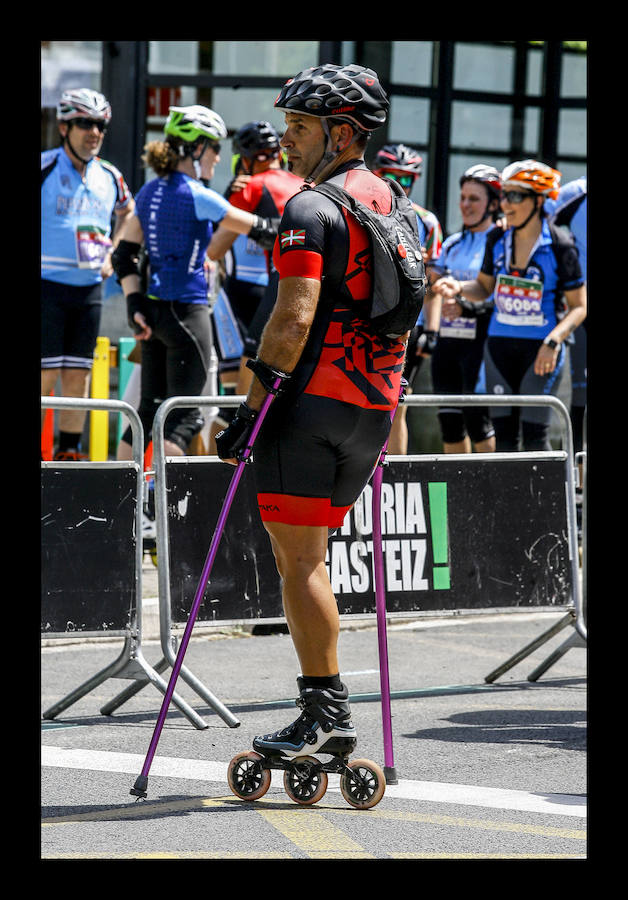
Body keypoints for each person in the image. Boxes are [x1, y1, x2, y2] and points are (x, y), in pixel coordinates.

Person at [215, 64, 419, 762]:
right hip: (370, 410)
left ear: (341, 132)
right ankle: (323, 710)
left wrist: (246, 411)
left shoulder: (311, 208)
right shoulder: (395, 205)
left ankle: (324, 711)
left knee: (298, 562)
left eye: (300, 127)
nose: (286, 138)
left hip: (308, 407)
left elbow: (291, 318)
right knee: (309, 557)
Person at [111, 105, 280, 464]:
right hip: (187, 313)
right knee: (188, 416)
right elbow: (263, 230)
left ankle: (121, 501)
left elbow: (123, 256)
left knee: (147, 410)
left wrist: (134, 304)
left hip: (152, 312)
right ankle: (160, 503)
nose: (219, 156)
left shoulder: (149, 191)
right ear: (196, 148)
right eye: (215, 147)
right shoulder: (198, 195)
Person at [433, 159, 587, 452]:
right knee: (503, 441)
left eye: (516, 196)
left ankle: (539, 500)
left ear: (539, 200)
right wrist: (458, 287)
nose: (506, 204)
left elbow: (580, 306)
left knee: (534, 438)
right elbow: (484, 287)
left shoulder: (560, 244)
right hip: (498, 348)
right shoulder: (498, 237)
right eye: (505, 194)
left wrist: (554, 342)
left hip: (541, 349)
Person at [41, 88, 135, 460]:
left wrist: (115, 249)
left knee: (78, 378)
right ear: (65, 128)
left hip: (89, 288)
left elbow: (129, 214)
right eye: (84, 124)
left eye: (100, 125)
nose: (93, 132)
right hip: (46, 286)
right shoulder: (46, 165)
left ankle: (67, 455)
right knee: (46, 377)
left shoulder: (110, 175)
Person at [206, 121, 303, 438]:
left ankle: (222, 477)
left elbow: (214, 248)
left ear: (245, 158)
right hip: (312, 288)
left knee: (236, 410)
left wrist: (227, 201)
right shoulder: (305, 184)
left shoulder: (251, 185)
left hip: (276, 286)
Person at [371, 143, 444, 453]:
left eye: (407, 179)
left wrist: (433, 331)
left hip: (408, 322)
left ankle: (395, 475)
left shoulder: (427, 221)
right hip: (369, 314)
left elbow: (435, 283)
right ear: (376, 174)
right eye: (389, 176)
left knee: (397, 401)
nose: (399, 185)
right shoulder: (364, 209)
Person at [427, 164, 502, 453]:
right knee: (449, 424)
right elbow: (434, 288)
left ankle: (489, 494)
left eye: (474, 199)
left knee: (478, 422)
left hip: (480, 343)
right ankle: (458, 496)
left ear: (493, 204)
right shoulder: (453, 243)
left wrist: (466, 306)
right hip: (448, 341)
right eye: (462, 197)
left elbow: (498, 295)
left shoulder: (500, 241)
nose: (465, 205)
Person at [546, 176, 587, 454]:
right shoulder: (577, 192)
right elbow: (537, 221)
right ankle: (579, 481)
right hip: (581, 305)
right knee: (581, 395)